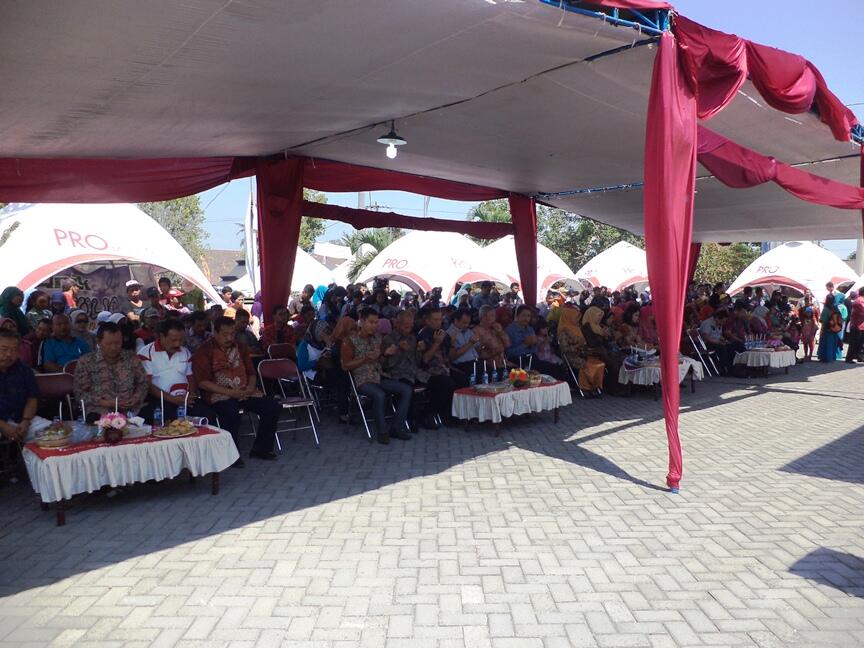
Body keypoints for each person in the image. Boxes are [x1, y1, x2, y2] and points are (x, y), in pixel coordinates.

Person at [192, 317, 280, 462]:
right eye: (225, 334)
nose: (229, 338)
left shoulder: (241, 347)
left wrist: (250, 388)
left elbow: (251, 372)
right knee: (231, 412)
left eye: (232, 334)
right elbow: (202, 382)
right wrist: (230, 392)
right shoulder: (204, 350)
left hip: (243, 390)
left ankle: (261, 448)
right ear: (215, 332)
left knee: (272, 407)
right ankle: (232, 455)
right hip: (218, 394)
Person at [341, 308, 412, 444]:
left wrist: (386, 354)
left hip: (379, 375)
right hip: (362, 380)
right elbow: (345, 365)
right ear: (362, 321)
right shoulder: (349, 341)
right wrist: (365, 359)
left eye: (376, 323)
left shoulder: (378, 338)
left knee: (406, 390)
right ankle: (382, 431)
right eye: (371, 322)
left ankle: (396, 427)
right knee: (379, 395)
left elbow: (382, 361)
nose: (374, 326)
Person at [137, 319, 216, 425]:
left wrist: (189, 396)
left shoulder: (185, 352)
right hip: (160, 399)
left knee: (207, 415)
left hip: (184, 398)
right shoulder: (146, 353)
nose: (177, 344)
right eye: (173, 340)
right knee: (169, 419)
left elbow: (191, 378)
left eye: (181, 340)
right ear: (161, 336)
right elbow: (148, 385)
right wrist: (173, 399)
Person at [73, 322, 149, 416]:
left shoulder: (132, 358)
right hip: (99, 411)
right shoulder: (86, 362)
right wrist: (106, 403)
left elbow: (143, 384)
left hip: (131, 410)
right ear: (98, 342)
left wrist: (135, 399)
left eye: (118, 343)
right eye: (109, 344)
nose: (114, 348)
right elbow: (80, 394)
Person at [0, 330, 39, 443]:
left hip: (21, 421)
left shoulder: (23, 369)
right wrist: (3, 426)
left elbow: (32, 397)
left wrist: (26, 421)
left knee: (55, 434)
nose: (8, 354)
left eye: (13, 350)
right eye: (4, 349)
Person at [557, 306, 604, 394]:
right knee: (588, 365)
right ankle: (585, 387)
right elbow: (565, 348)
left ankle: (594, 386)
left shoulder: (577, 328)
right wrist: (578, 347)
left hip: (582, 353)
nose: (577, 319)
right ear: (569, 317)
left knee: (599, 364)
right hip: (571, 356)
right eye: (575, 317)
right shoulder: (564, 330)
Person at [447, 308, 479, 376]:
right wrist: (470, 343)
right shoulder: (449, 334)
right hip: (462, 365)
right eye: (464, 323)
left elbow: (477, 347)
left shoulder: (469, 331)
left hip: (475, 362)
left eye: (468, 323)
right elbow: (453, 357)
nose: (466, 325)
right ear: (456, 320)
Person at [817, 294, 842, 363]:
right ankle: (832, 357)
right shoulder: (836, 308)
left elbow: (822, 320)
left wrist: (822, 329)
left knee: (826, 343)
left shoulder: (826, 309)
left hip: (827, 328)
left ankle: (825, 358)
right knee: (833, 343)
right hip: (835, 328)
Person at [845, 286, 864, 363]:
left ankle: (859, 356)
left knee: (858, 343)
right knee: (855, 342)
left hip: (857, 324)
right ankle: (850, 358)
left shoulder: (858, 300)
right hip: (858, 325)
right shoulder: (860, 301)